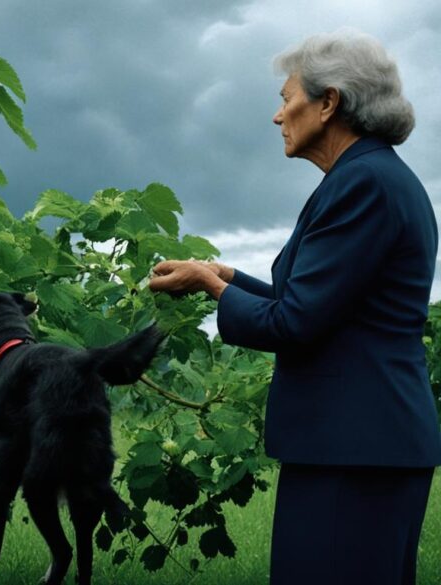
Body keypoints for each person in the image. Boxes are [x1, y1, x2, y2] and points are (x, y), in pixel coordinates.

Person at [148, 30, 440, 584]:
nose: (278, 116)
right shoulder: (371, 177)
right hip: (364, 444)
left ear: (328, 102)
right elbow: (315, 304)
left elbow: (295, 323)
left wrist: (211, 288)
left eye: (286, 99)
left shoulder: (363, 184)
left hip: (353, 451)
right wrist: (226, 275)